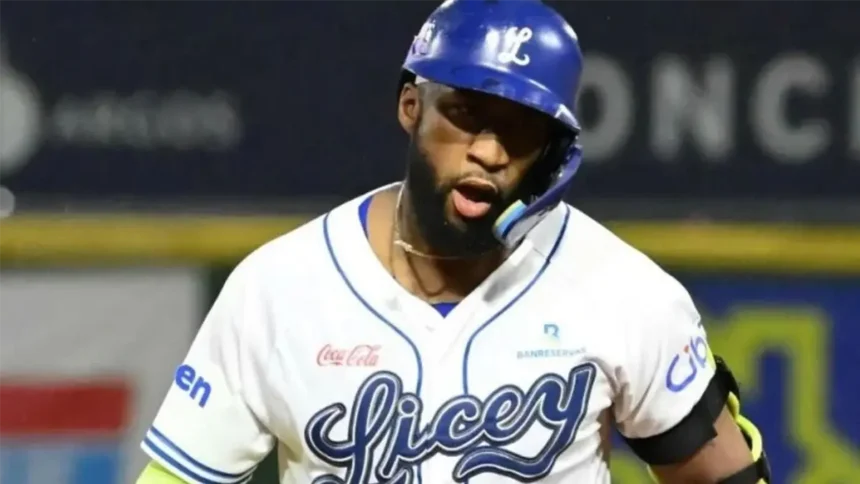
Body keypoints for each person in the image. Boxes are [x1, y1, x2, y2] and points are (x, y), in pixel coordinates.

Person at [136, 0, 770, 482]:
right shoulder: (278, 289)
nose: (490, 151)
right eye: (467, 114)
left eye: (521, 129)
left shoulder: (623, 292)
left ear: (553, 152)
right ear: (411, 106)